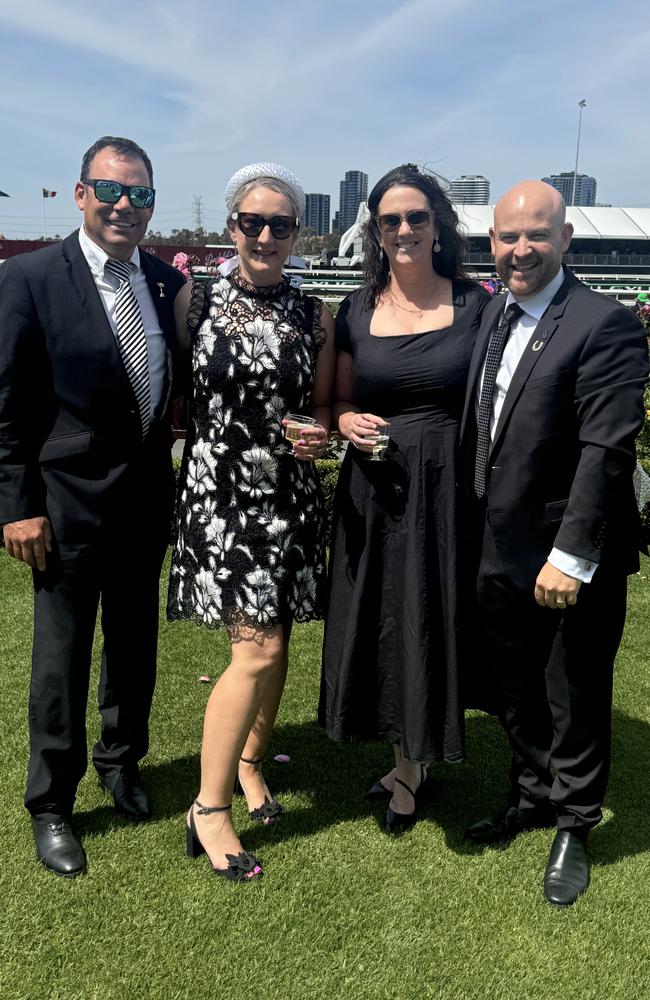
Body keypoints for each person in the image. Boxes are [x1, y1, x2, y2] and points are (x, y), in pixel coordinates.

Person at [0, 136, 186, 877]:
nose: (124, 206)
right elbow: (7, 406)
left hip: (145, 502)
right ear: (80, 194)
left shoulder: (167, 283)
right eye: (110, 190)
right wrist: (15, 505)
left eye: (139, 194)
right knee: (62, 660)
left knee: (135, 648)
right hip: (63, 507)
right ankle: (52, 803)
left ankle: (121, 761)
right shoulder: (31, 279)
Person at [460, 180, 648, 906]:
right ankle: (531, 793)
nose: (520, 249)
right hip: (498, 545)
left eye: (536, 235)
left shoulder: (604, 323)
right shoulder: (492, 314)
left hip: (566, 553)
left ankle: (576, 818)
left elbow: (607, 448)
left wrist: (572, 556)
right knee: (515, 684)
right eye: (507, 237)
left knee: (573, 690)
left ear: (565, 239)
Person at [167, 162, 334, 881]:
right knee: (256, 649)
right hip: (222, 497)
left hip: (290, 495)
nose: (265, 235)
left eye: (281, 224)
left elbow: (324, 404)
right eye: (251, 221)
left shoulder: (314, 311)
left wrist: (320, 431)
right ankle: (208, 809)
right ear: (231, 225)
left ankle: (250, 764)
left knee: (280, 639)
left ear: (297, 232)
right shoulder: (192, 301)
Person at [320, 164, 489, 834]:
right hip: (373, 490)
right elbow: (333, 398)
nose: (404, 230)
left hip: (446, 493)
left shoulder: (477, 305)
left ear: (439, 224)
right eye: (390, 220)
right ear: (375, 232)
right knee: (383, 626)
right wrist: (341, 422)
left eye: (417, 217)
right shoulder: (355, 309)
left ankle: (413, 768)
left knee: (427, 620)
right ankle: (404, 757)